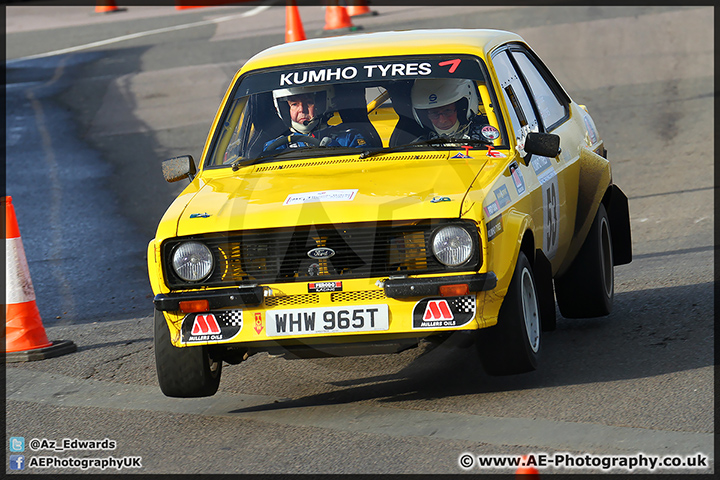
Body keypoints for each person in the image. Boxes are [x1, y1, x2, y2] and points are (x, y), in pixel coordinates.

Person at [264, 85, 368, 151]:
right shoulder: (276, 146)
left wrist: (336, 149)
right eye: (294, 104)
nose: (301, 109)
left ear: (323, 104)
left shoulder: (349, 139)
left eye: (309, 102)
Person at [410, 78, 497, 143]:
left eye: (447, 111)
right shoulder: (418, 146)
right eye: (434, 113)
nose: (442, 120)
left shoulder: (491, 137)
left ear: (461, 110)